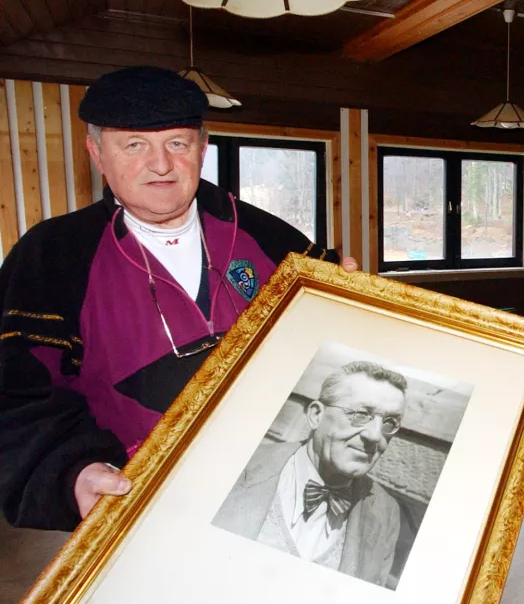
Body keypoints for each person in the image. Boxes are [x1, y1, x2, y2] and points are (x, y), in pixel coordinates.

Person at [0, 66, 357, 532]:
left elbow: (330, 350)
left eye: (177, 143)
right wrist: (74, 471)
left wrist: (356, 309)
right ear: (96, 154)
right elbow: (18, 395)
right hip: (142, 508)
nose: (161, 164)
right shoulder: (52, 255)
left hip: (276, 493)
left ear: (202, 148)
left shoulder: (265, 234)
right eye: (134, 145)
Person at [212, 361, 406, 588]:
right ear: (316, 415)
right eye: (361, 414)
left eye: (389, 423)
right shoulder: (236, 464)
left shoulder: (387, 512)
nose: (375, 436)